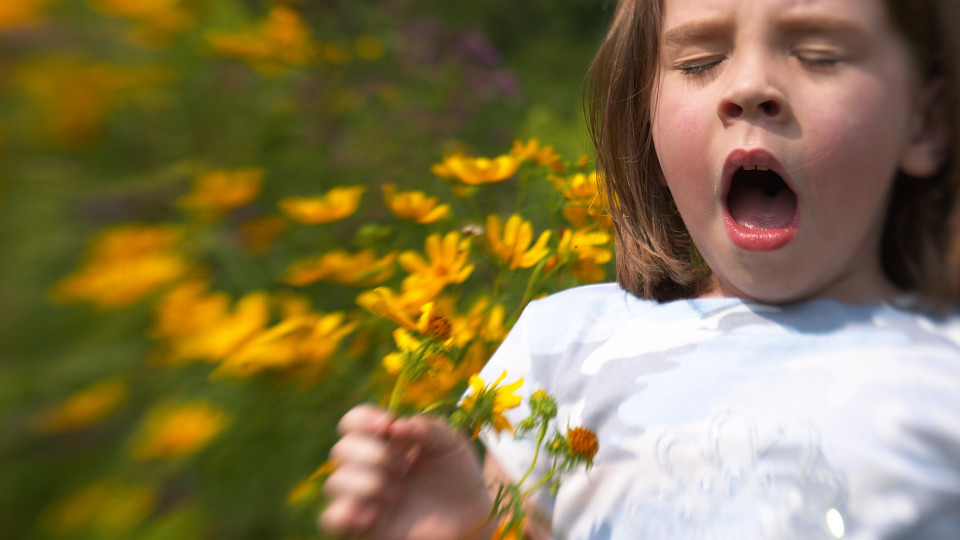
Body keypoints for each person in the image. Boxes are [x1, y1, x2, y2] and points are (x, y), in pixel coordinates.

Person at [319, 0, 960, 537]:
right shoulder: (567, 345)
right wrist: (463, 526)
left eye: (819, 55)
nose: (748, 89)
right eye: (699, 62)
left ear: (925, 121)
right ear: (644, 114)